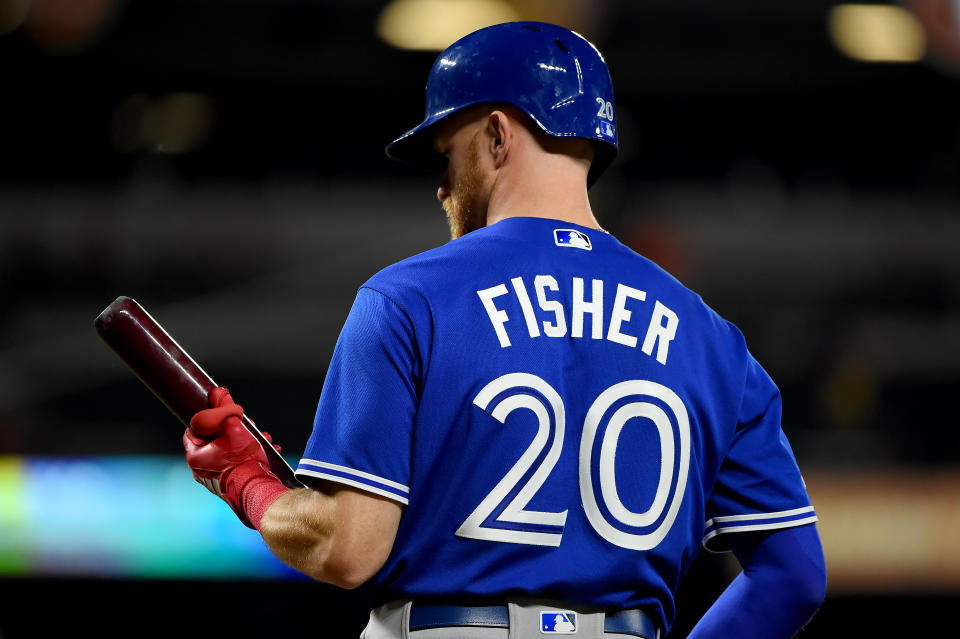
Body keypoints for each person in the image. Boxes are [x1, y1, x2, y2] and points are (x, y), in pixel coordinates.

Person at [182, 21, 826, 639]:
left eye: (447, 153)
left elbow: (349, 549)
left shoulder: (409, 297)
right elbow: (793, 577)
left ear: (497, 134)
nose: (441, 186)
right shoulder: (712, 337)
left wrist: (249, 483)